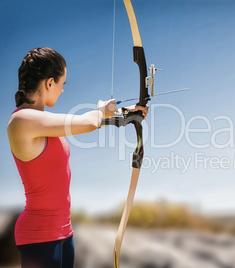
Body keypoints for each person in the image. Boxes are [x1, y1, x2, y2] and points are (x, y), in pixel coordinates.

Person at [7, 47, 148, 268]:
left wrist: (129, 113)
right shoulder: (21, 121)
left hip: (64, 231)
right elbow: (89, 122)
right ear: (49, 83)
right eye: (62, 84)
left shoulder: (44, 121)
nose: (62, 90)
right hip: (39, 235)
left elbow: (95, 121)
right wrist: (101, 109)